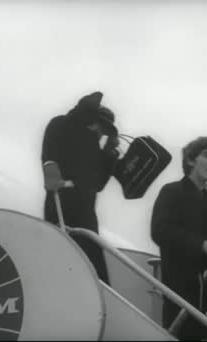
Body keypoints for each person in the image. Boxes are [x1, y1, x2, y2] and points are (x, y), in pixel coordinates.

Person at [151, 136, 207, 340]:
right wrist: (202, 246)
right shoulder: (171, 192)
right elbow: (160, 231)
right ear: (190, 160)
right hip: (181, 296)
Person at [42, 91, 120, 285]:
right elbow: (49, 159)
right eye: (99, 125)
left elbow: (98, 184)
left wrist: (109, 155)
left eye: (103, 130)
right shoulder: (62, 125)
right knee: (66, 262)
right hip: (62, 204)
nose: (99, 132)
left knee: (94, 268)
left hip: (86, 212)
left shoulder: (94, 147)